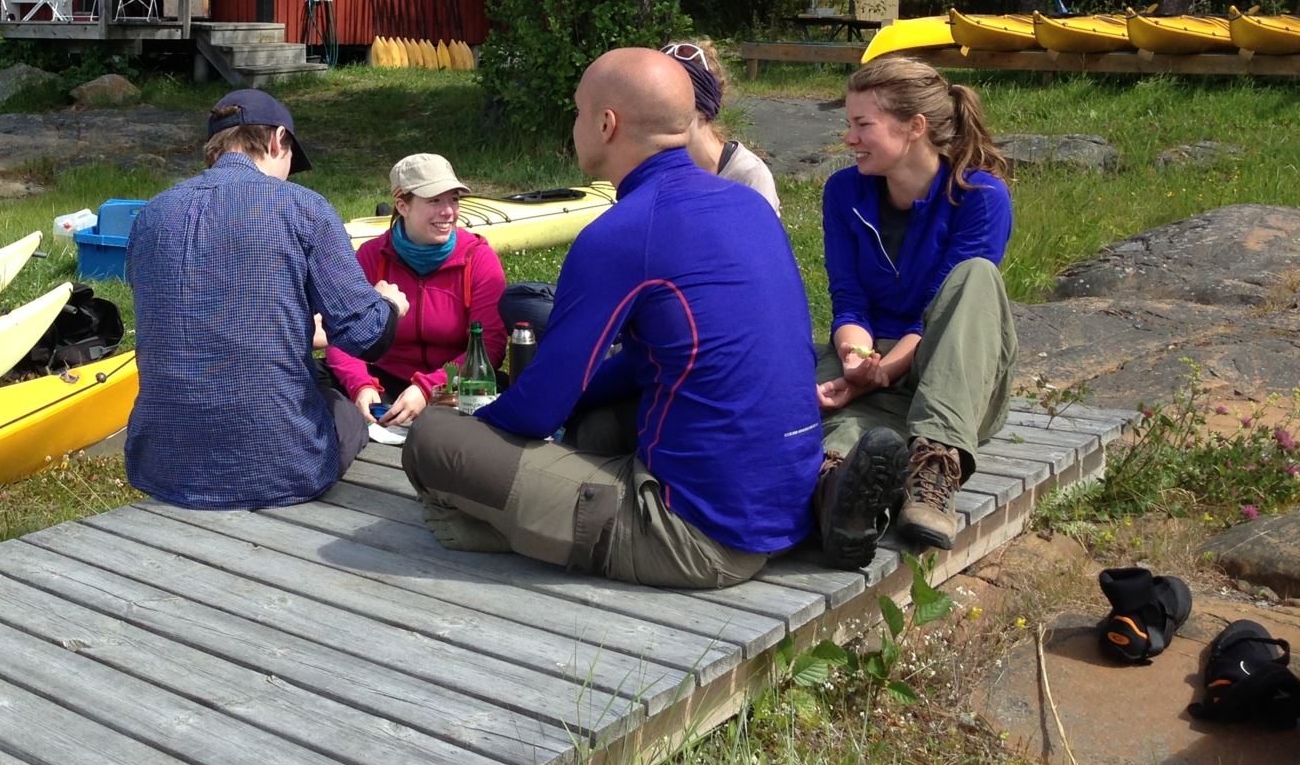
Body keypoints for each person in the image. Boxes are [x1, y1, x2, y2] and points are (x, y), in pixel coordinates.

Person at [401, 47, 826, 590]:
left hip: (698, 537)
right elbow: (652, 361)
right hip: (788, 506)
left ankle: (500, 526)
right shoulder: (747, 206)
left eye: (577, 112)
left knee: (436, 440)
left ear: (606, 124)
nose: (574, 125)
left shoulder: (625, 231)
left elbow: (537, 409)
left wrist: (473, 430)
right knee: (594, 424)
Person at [124, 88, 410, 509]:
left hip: (160, 461)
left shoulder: (151, 214)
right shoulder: (303, 208)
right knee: (344, 407)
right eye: (291, 160)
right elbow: (364, 336)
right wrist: (388, 304)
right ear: (278, 140)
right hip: (278, 468)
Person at [811, 56, 1015, 568]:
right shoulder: (843, 192)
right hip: (877, 364)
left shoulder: (980, 197)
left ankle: (936, 467)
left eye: (863, 125)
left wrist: (882, 373)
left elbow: (936, 316)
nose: (849, 138)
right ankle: (839, 497)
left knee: (976, 278)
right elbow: (848, 296)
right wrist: (858, 362)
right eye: (849, 124)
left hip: (951, 371)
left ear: (915, 127)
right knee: (818, 403)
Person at [324, 153, 506, 429]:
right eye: (434, 200)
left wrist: (427, 389)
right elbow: (341, 335)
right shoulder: (372, 256)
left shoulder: (478, 259)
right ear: (402, 205)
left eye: (454, 199)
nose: (448, 212)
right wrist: (360, 385)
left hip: (452, 389)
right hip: (382, 382)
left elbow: (489, 347)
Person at [660, 40, 780, 215]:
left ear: (703, 110)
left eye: (669, 103)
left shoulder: (748, 176)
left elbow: (762, 240)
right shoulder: (660, 169)